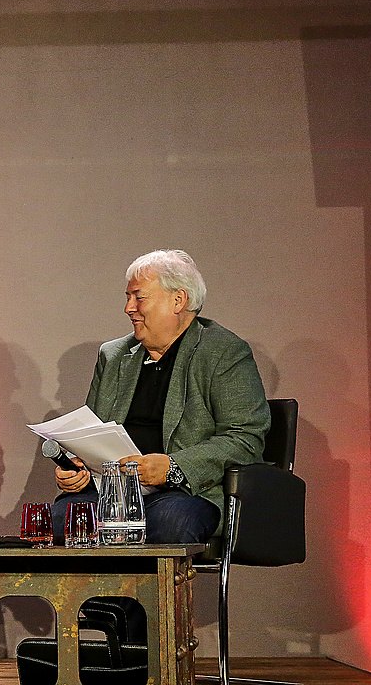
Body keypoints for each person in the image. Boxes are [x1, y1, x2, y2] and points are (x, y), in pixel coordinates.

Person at [52, 249, 270, 637]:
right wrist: (78, 466)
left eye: (139, 297)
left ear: (178, 300)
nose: (128, 308)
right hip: (115, 492)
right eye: (128, 297)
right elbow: (91, 430)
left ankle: (134, 647)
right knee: (66, 515)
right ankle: (102, 642)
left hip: (188, 493)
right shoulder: (115, 355)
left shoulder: (223, 352)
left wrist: (171, 466)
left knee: (167, 519)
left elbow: (246, 439)